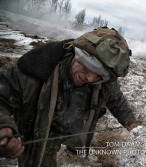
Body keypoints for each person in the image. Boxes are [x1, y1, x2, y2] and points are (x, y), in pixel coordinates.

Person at [0, 27, 137, 167]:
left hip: (75, 129)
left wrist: (128, 119)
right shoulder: (33, 69)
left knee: (77, 144)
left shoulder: (105, 81)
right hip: (41, 135)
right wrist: (3, 127)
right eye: (88, 66)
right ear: (78, 53)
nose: (90, 78)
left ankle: (73, 147)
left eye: (100, 75)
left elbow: (115, 98)